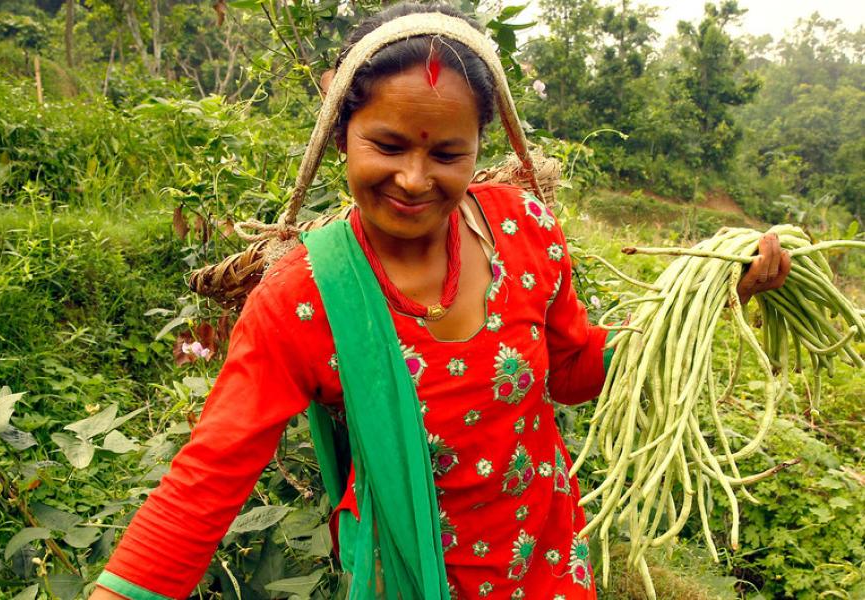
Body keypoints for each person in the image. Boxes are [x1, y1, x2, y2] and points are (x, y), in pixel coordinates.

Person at [90, 4, 790, 599]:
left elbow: (571, 371)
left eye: (448, 154)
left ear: (480, 145)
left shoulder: (523, 231)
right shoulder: (305, 298)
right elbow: (208, 476)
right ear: (341, 136)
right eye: (386, 144)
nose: (414, 179)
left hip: (547, 564)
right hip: (412, 575)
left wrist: (707, 295)